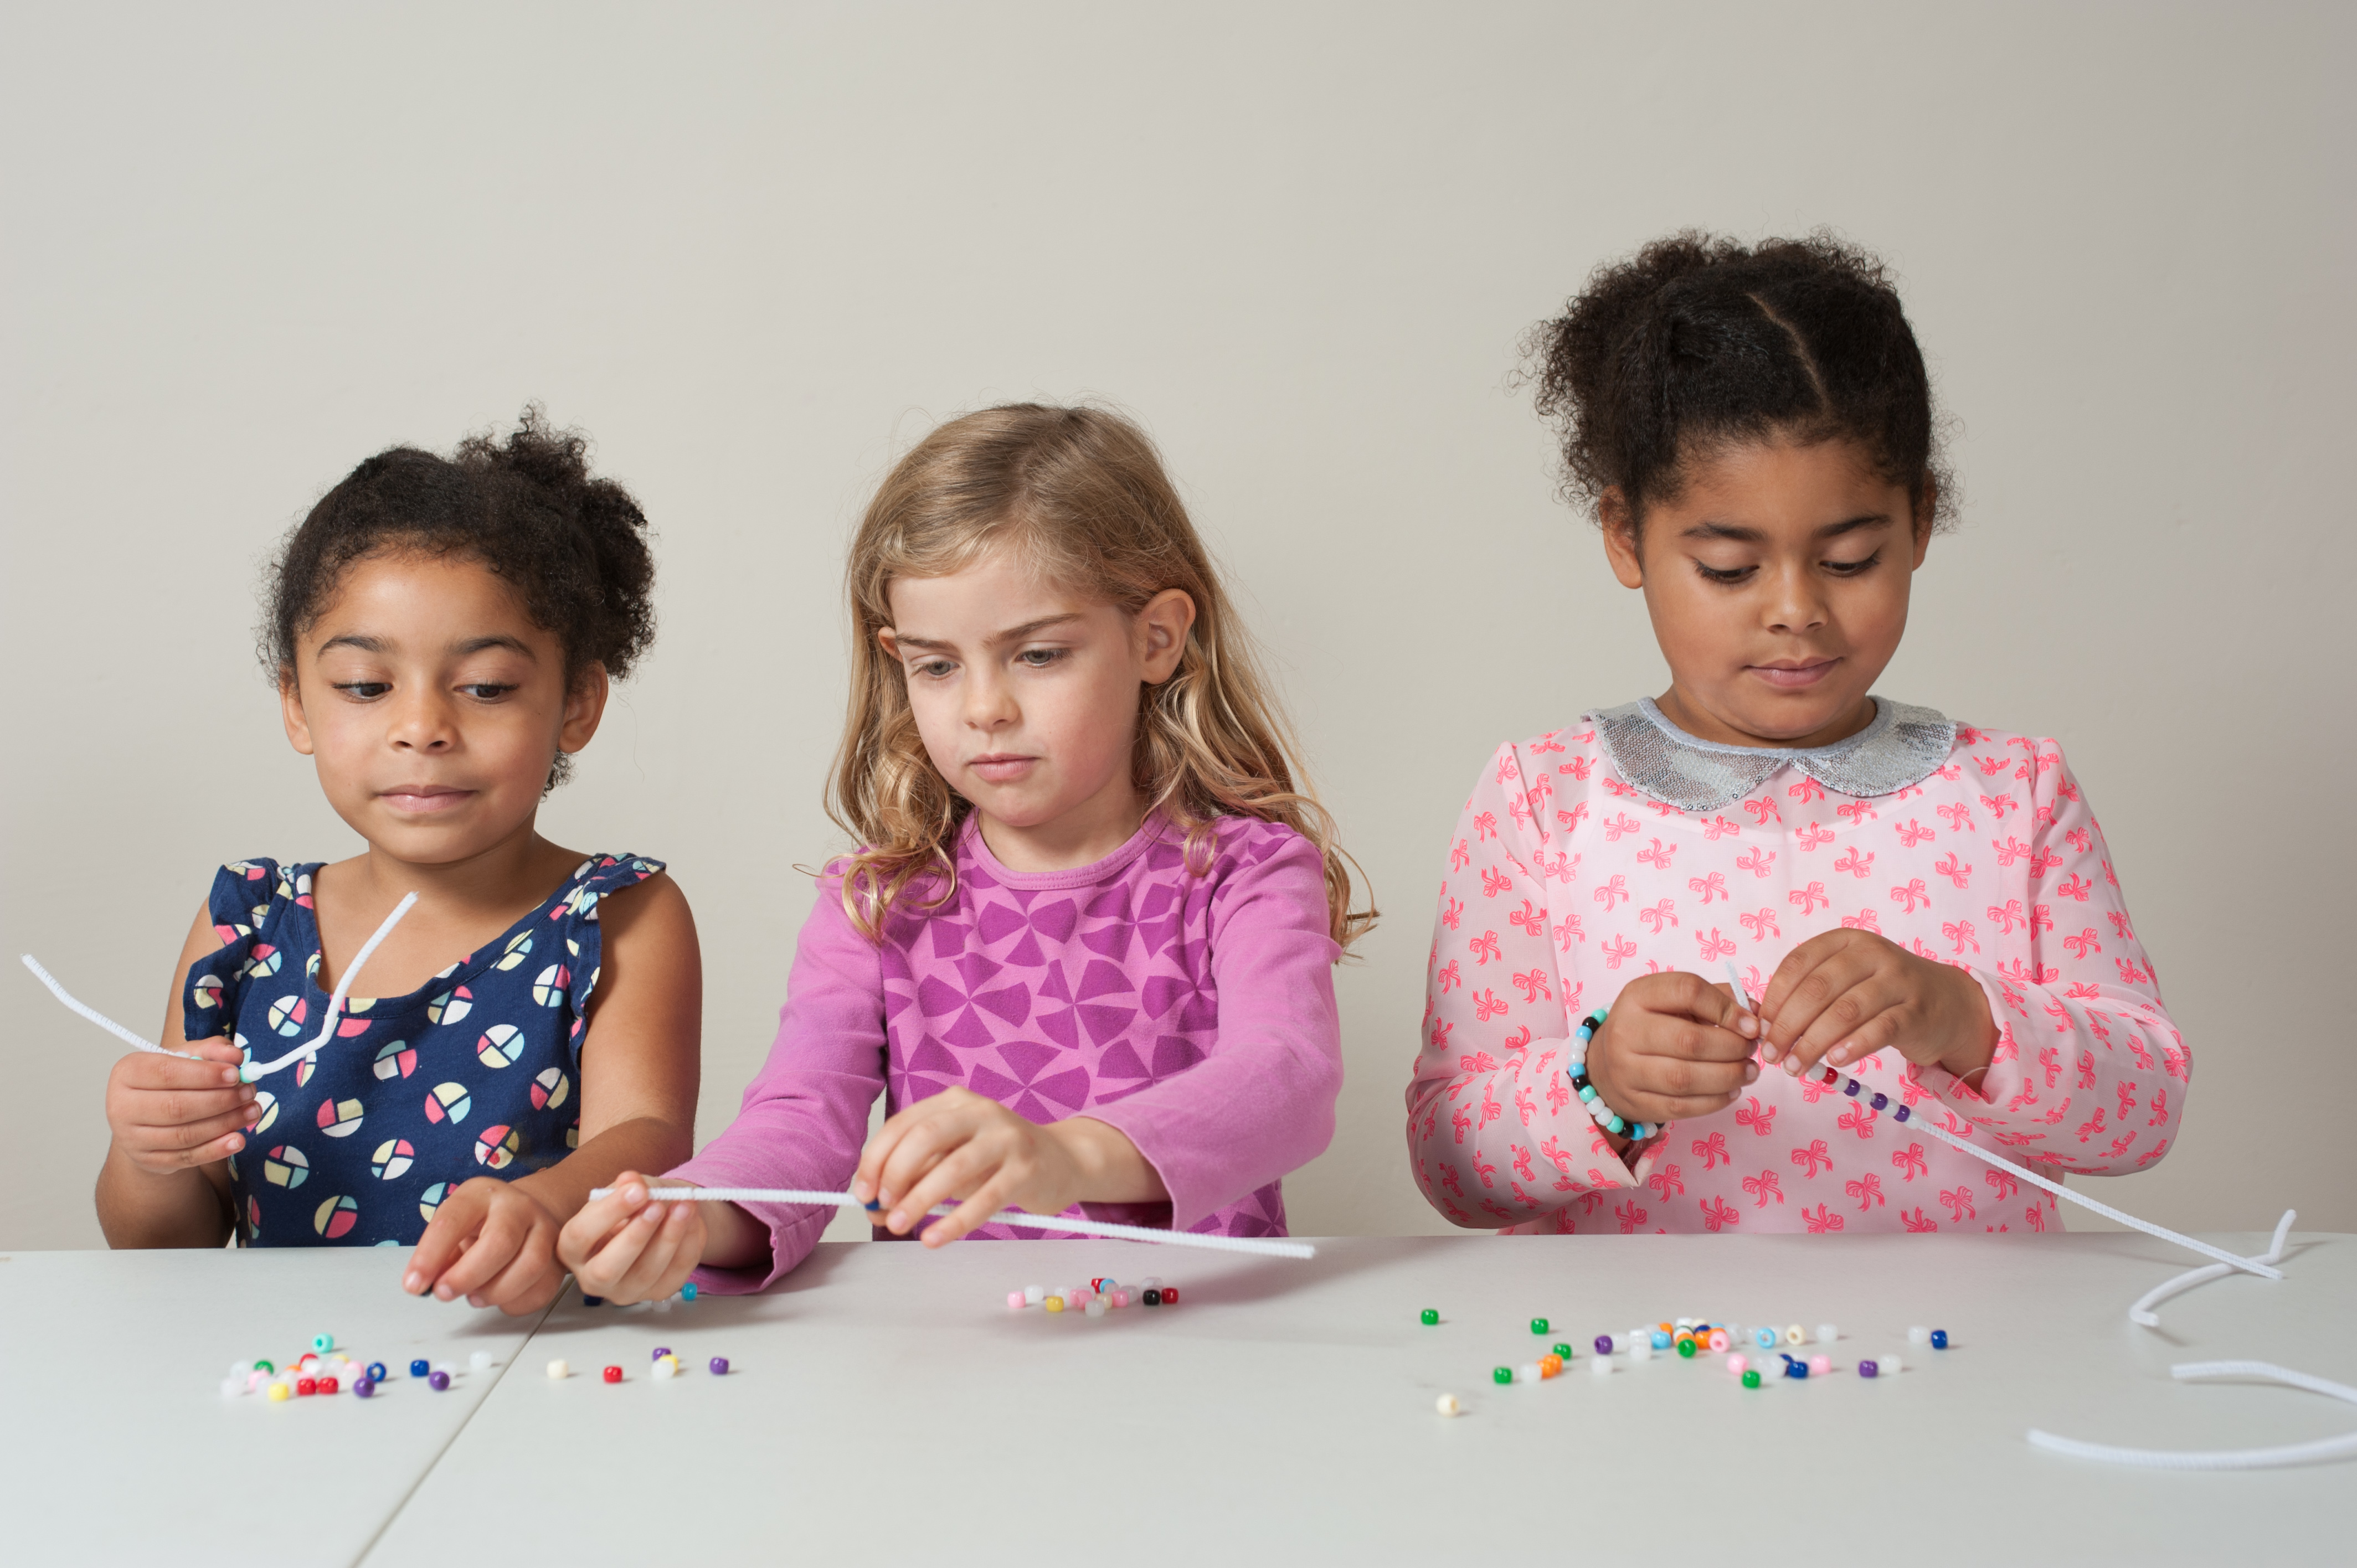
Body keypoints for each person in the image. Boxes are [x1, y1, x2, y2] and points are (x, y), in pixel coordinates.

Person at [1407, 234, 2184, 1235]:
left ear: (1921, 524)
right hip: (1642, 1373)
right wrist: (1598, 1084)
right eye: (1730, 570)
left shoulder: (2012, 795)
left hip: (1970, 1374)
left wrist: (1963, 1018)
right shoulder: (1546, 800)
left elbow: (2147, 1112)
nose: (1795, 610)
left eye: (1852, 560)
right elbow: (1452, 1165)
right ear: (1624, 535)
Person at [561, 403, 1368, 1298]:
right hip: (953, 1355)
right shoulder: (875, 901)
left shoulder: (1244, 874)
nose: (984, 709)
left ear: (1157, 638)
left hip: (1202, 1340)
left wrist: (1062, 1159)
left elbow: (1285, 1079)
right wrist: (693, 1211)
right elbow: (803, 1117)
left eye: (1038, 654)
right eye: (938, 666)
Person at [95, 410, 701, 1313]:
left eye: (487, 687)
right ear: (298, 706)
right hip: (297, 1380)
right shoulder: (247, 927)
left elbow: (650, 1138)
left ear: (576, 703)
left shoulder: (617, 915)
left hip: (527, 1367)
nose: (422, 727)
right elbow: (167, 1242)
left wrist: (537, 1210)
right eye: (366, 688)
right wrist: (150, 1154)